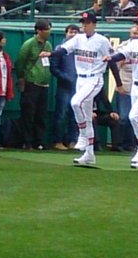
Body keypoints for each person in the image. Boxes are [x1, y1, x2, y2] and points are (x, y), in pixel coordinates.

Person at [50, 12, 118, 166]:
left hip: (95, 78)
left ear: (94, 24)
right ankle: (89, 154)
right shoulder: (78, 38)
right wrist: (52, 53)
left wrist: (118, 83)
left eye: (87, 23)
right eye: (83, 23)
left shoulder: (102, 41)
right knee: (86, 116)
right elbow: (64, 49)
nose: (84, 25)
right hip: (80, 78)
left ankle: (81, 136)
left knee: (75, 103)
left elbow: (112, 61)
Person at [107, 13, 138, 168]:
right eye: (137, 24)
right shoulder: (134, 44)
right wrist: (109, 58)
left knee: (134, 117)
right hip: (135, 87)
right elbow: (120, 55)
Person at [15, 19, 52, 150]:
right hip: (31, 83)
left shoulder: (48, 45)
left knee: (41, 114)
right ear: (39, 31)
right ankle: (27, 141)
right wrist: (22, 78)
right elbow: (20, 62)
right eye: (46, 29)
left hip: (44, 84)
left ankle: (39, 141)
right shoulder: (29, 44)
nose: (49, 31)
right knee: (28, 113)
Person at [50, 24, 79, 149]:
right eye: (71, 32)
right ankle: (58, 141)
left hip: (78, 87)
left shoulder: (80, 49)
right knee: (61, 115)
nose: (73, 34)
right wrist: (66, 78)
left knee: (75, 116)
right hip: (64, 87)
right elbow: (54, 68)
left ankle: (72, 141)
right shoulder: (59, 48)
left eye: (75, 32)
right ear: (66, 33)